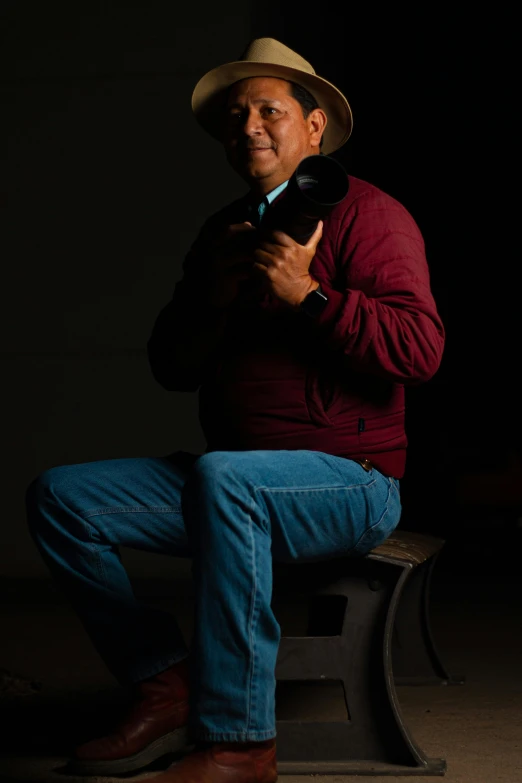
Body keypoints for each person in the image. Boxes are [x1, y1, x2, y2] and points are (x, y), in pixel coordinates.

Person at [25, 36, 445, 783]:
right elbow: (171, 369)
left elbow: (420, 350)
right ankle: (165, 681)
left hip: (353, 481)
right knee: (63, 497)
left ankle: (243, 742)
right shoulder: (225, 231)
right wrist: (209, 301)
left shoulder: (370, 215)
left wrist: (311, 298)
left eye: (270, 110)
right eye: (236, 114)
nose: (249, 125)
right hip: (237, 480)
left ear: (314, 128)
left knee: (226, 479)